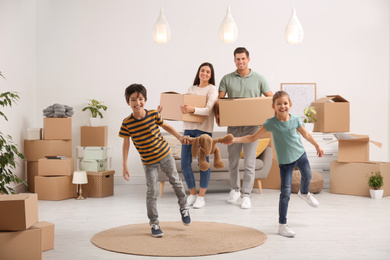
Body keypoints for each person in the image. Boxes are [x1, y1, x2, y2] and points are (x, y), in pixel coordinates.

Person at [226, 90, 323, 237]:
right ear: (273, 107)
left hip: (300, 154)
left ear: (290, 105)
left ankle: (304, 193)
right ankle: (282, 225)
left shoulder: (295, 119)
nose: (282, 106)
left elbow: (306, 134)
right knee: (285, 193)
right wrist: (235, 139)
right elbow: (252, 137)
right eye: (279, 104)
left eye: (285, 103)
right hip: (285, 162)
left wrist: (317, 145)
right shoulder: (270, 123)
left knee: (308, 176)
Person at [119, 83, 191, 238]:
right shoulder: (127, 123)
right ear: (128, 102)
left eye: (140, 99)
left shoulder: (153, 114)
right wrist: (124, 164)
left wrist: (180, 137)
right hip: (148, 161)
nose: (137, 103)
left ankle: (184, 206)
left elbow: (167, 127)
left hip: (165, 155)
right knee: (151, 191)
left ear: (145, 100)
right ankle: (154, 223)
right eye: (133, 100)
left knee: (175, 181)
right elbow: (126, 143)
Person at [214, 47, 273, 209]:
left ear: (248, 59)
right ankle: (235, 190)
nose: (240, 62)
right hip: (233, 127)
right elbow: (219, 101)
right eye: (237, 59)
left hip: (252, 128)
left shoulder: (260, 79)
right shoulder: (227, 79)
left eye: (243, 59)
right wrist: (219, 117)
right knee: (233, 162)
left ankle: (246, 195)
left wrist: (265, 119)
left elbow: (270, 99)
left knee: (249, 163)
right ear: (234, 61)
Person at [180, 62, 218, 209]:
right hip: (188, 129)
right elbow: (186, 108)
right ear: (199, 72)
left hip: (204, 130)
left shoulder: (212, 89)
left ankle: (201, 197)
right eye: (203, 71)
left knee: (203, 164)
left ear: (211, 75)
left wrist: (191, 108)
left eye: (208, 72)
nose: (205, 74)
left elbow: (208, 110)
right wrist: (184, 108)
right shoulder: (191, 88)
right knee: (184, 163)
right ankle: (193, 194)